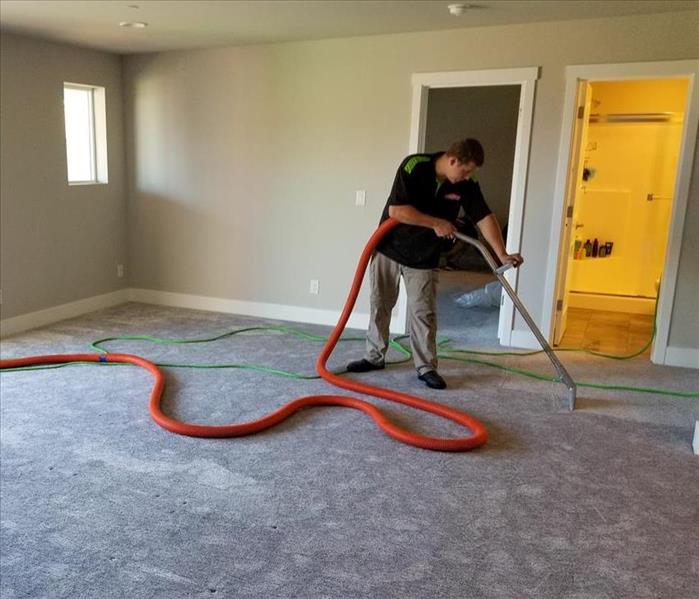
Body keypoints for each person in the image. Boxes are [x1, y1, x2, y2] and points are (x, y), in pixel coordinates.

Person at [347, 139, 523, 389]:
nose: (467, 176)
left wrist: (501, 254)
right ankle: (374, 357)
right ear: (452, 160)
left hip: (425, 256)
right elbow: (397, 211)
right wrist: (435, 223)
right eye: (465, 170)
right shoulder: (415, 166)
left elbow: (484, 216)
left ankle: (426, 367)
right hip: (389, 248)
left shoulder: (465, 185)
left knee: (423, 312)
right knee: (380, 304)